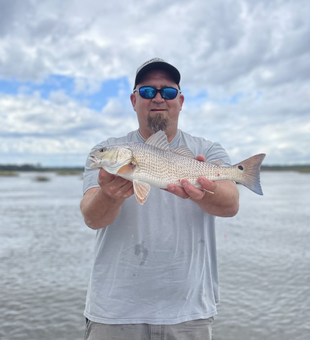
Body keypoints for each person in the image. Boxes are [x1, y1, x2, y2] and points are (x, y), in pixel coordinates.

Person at [80, 58, 239, 340]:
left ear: (180, 100)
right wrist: (109, 195)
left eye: (167, 92)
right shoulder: (107, 154)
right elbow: (92, 218)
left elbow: (231, 205)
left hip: (190, 311)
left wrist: (203, 192)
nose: (157, 98)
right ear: (133, 100)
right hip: (115, 312)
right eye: (146, 91)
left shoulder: (208, 149)